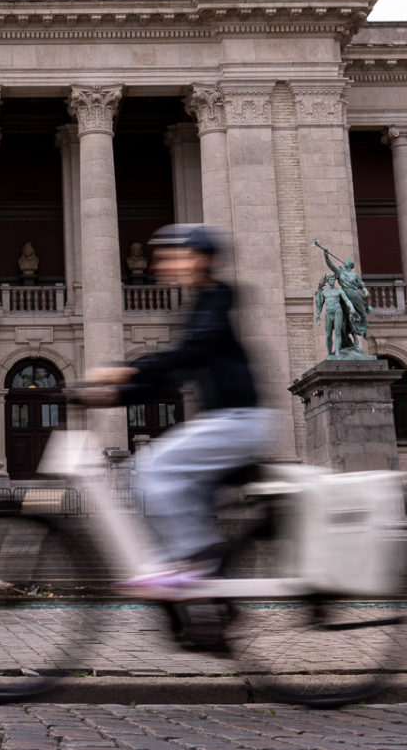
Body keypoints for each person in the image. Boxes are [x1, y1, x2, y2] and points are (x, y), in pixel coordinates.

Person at [82, 223, 270, 598]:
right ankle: (209, 603)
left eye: (175, 255)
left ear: (201, 259)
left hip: (238, 422)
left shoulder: (218, 297)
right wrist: (114, 397)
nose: (164, 263)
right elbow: (170, 379)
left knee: (152, 467)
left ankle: (193, 558)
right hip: (228, 423)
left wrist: (127, 369)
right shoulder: (200, 304)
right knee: (175, 490)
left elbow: (192, 352)